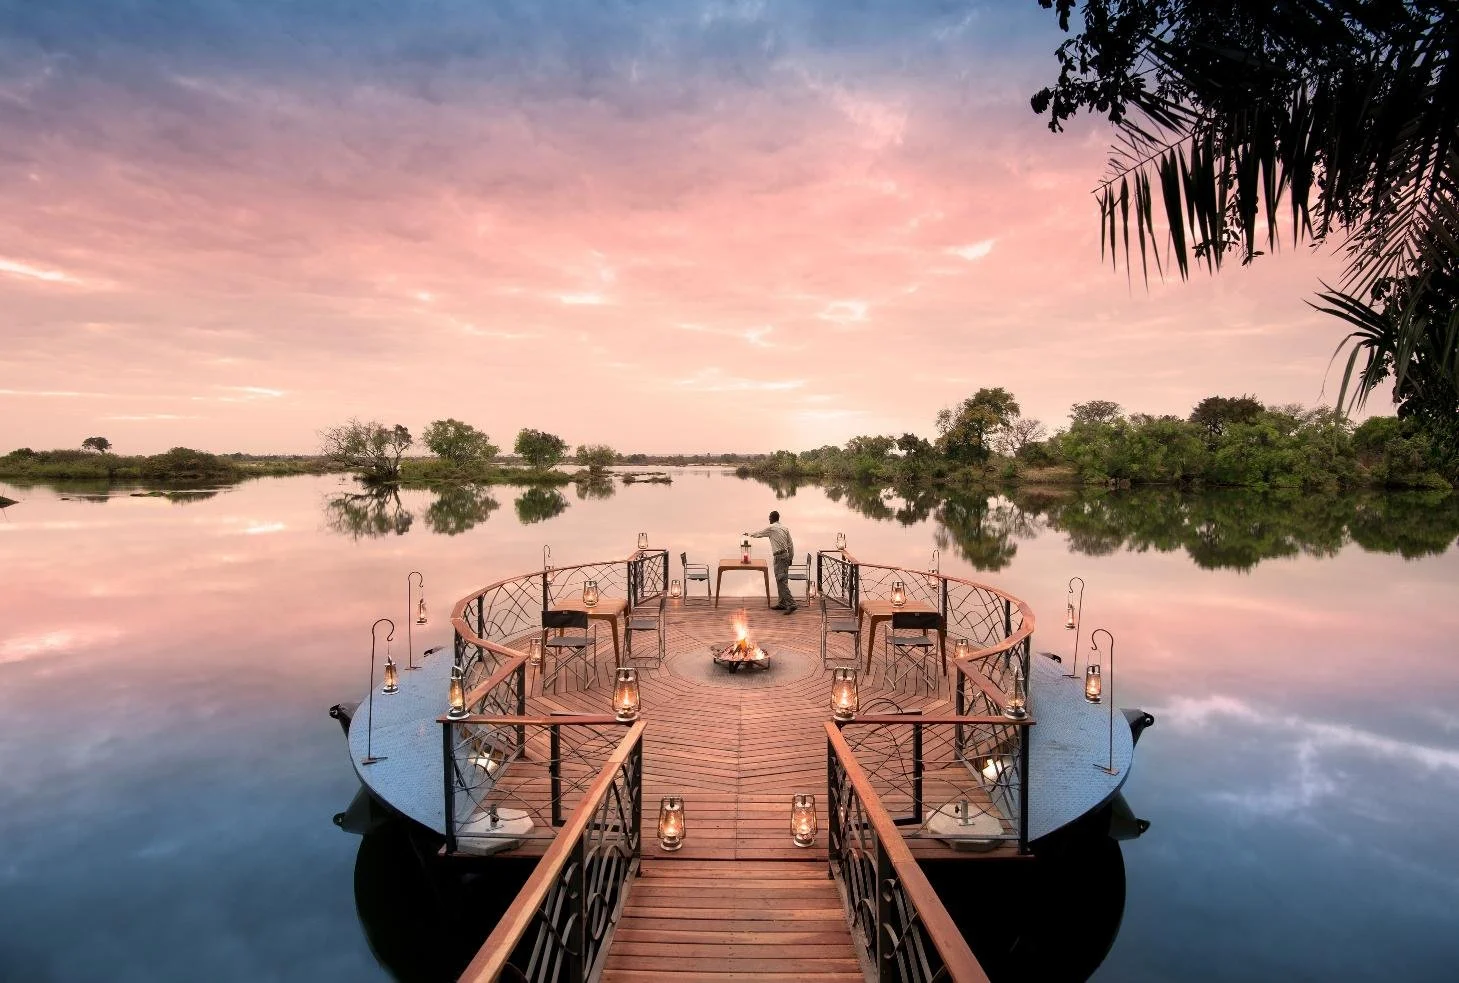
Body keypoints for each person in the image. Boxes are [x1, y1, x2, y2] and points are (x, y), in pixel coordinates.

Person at [748, 511, 797, 613]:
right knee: (781, 580)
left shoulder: (772, 528)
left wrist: (748, 534)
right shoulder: (785, 528)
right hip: (785, 556)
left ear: (772, 518)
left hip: (779, 557)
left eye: (769, 517)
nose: (769, 519)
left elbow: (759, 534)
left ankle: (792, 604)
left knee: (781, 581)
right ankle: (782, 603)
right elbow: (790, 544)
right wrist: (791, 558)